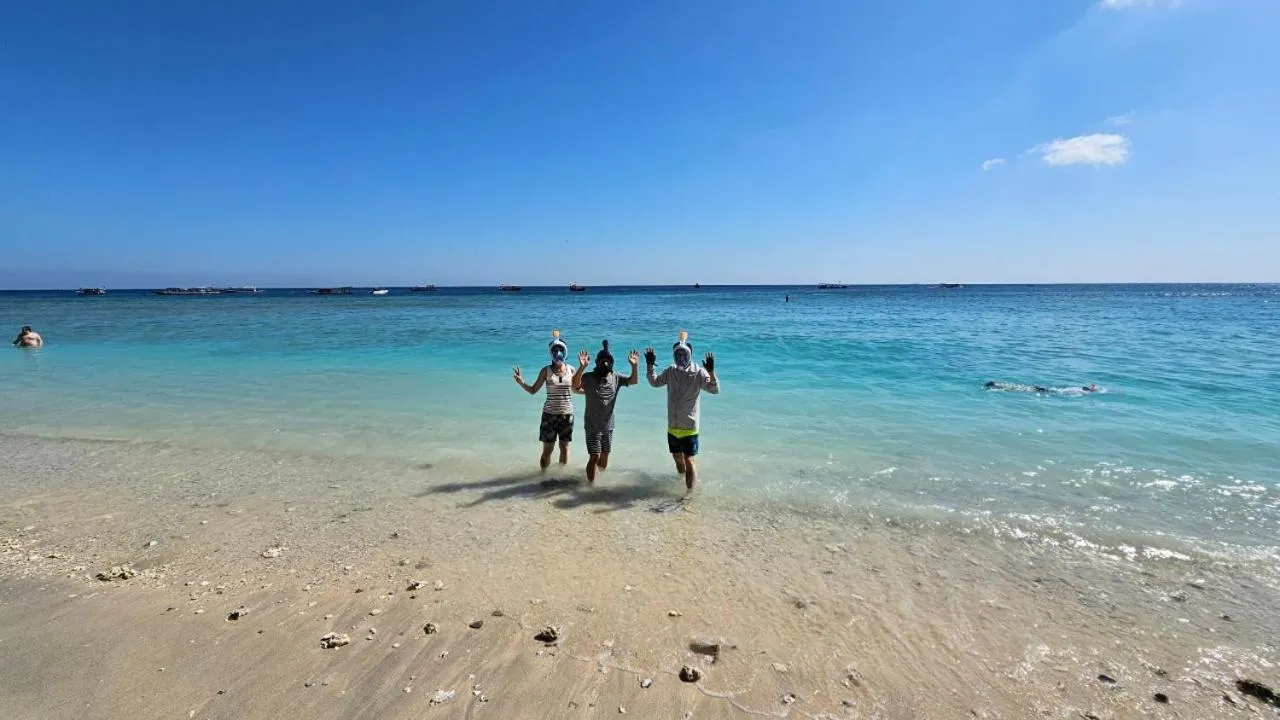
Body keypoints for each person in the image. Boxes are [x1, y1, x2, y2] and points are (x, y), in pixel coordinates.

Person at [646, 331, 719, 495]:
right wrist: (650, 365)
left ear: (689, 354)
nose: (680, 358)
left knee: (689, 459)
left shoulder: (699, 372)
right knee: (678, 459)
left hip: (689, 426)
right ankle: (681, 482)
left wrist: (711, 372)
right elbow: (655, 382)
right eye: (677, 354)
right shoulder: (670, 371)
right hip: (673, 426)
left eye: (683, 354)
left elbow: (715, 390)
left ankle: (689, 494)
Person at [572, 340, 640, 486]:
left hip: (608, 425)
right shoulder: (589, 377)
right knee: (594, 456)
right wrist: (582, 367)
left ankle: (598, 480)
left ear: (612, 363)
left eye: (608, 362)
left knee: (604, 457)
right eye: (602, 361)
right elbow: (575, 384)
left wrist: (634, 366)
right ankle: (590, 486)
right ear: (596, 362)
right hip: (592, 425)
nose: (605, 364)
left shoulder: (616, 377)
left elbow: (633, 381)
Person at [513, 330, 579, 471]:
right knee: (547, 450)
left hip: (567, 415)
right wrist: (521, 382)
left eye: (560, 350)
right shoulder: (546, 370)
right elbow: (533, 390)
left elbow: (576, 389)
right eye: (555, 350)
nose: (557, 353)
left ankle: (560, 476)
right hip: (549, 415)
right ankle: (543, 476)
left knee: (565, 449)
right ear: (551, 353)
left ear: (565, 352)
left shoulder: (571, 370)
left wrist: (595, 393)